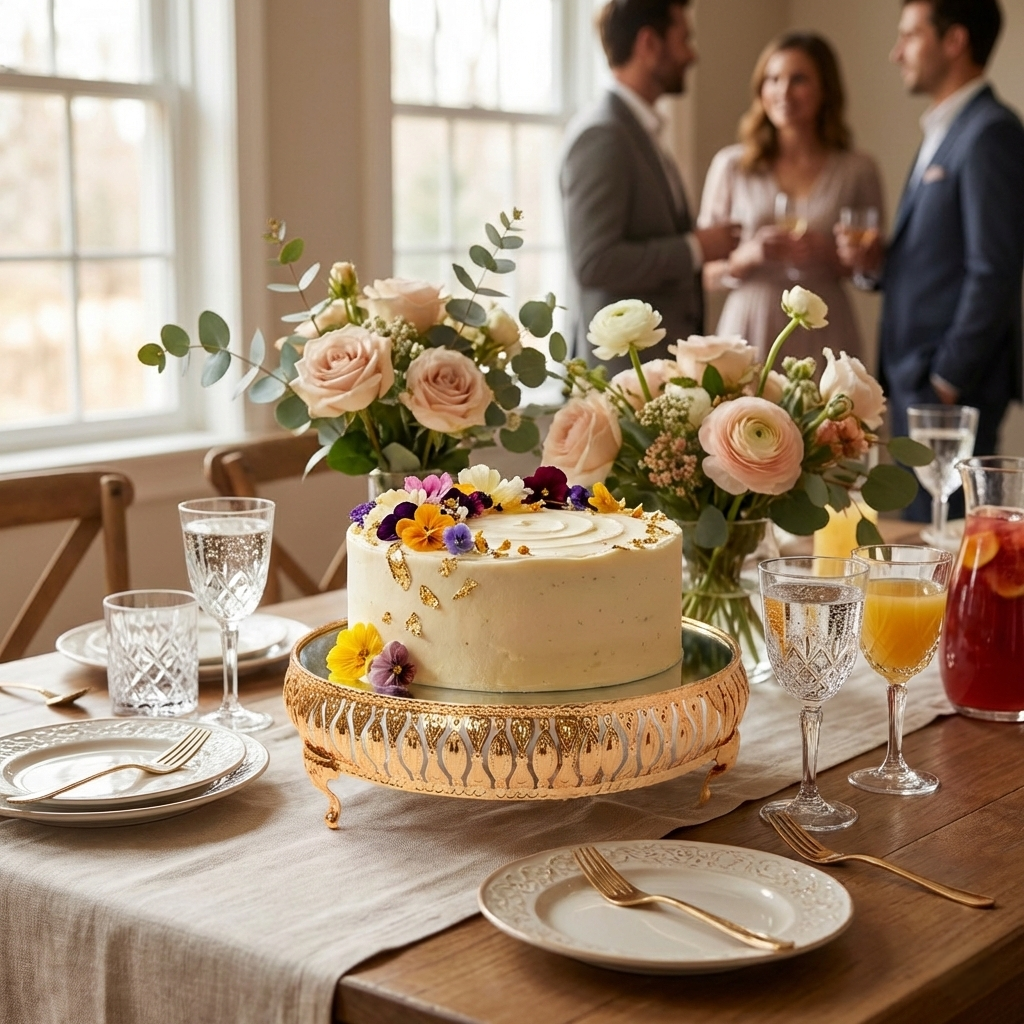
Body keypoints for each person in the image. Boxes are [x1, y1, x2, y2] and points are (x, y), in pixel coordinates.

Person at [838, 0, 1024, 518]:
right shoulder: (946, 128)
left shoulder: (991, 133)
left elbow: (995, 269)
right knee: (924, 542)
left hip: (948, 393)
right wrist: (881, 260)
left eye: (910, 35)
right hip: (918, 382)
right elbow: (942, 257)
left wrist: (947, 379)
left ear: (955, 40)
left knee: (945, 546)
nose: (897, 53)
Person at [560, 0, 740, 374]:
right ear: (649, 44)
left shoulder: (640, 130)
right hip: (625, 375)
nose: (691, 55)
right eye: (683, 39)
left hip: (653, 371)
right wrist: (696, 247)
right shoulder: (603, 135)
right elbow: (595, 263)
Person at [699, 33, 884, 364]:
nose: (782, 92)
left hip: (826, 327)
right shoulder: (731, 167)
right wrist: (747, 257)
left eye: (798, 79)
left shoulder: (858, 169)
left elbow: (870, 267)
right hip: (750, 325)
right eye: (772, 79)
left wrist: (831, 254)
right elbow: (704, 271)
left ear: (825, 89)